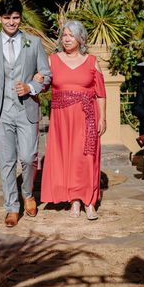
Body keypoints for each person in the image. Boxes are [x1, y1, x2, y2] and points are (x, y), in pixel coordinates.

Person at [0, 0, 51, 227]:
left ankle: (28, 194)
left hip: (27, 109)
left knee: (29, 158)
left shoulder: (33, 43)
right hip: (1, 112)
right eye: (7, 18)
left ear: (20, 18)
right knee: (7, 162)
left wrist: (30, 86)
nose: (12, 22)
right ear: (0, 18)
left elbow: (46, 75)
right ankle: (11, 206)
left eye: (16, 18)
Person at [40, 21, 106, 220]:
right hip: (62, 119)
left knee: (86, 158)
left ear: (80, 38)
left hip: (87, 116)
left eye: (70, 35)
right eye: (64, 35)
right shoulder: (52, 60)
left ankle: (90, 202)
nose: (66, 39)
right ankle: (74, 200)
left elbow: (101, 93)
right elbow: (42, 85)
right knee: (68, 158)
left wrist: (103, 117)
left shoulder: (92, 61)